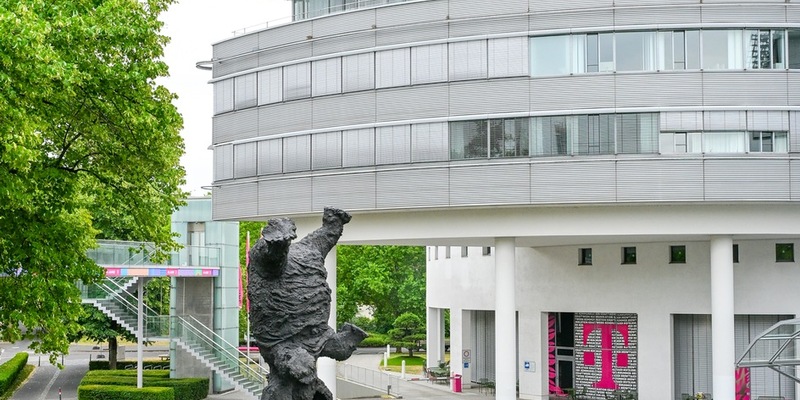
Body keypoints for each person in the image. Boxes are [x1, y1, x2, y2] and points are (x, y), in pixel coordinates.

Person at [248, 207, 367, 400]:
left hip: (294, 334)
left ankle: (280, 244)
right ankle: (284, 243)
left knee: (277, 263)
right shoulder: (294, 359)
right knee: (338, 349)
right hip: (303, 334)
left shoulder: (278, 357)